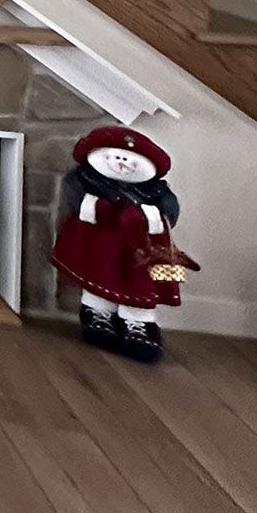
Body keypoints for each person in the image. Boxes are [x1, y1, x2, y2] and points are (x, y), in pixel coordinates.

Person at [51, 125, 192, 362]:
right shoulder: (85, 178)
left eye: (128, 160)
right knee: (98, 274)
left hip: (143, 247)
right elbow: (74, 196)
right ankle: (97, 314)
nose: (121, 163)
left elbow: (170, 210)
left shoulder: (156, 190)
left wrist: (151, 218)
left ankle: (138, 324)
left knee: (142, 282)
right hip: (101, 243)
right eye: (115, 157)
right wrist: (95, 208)